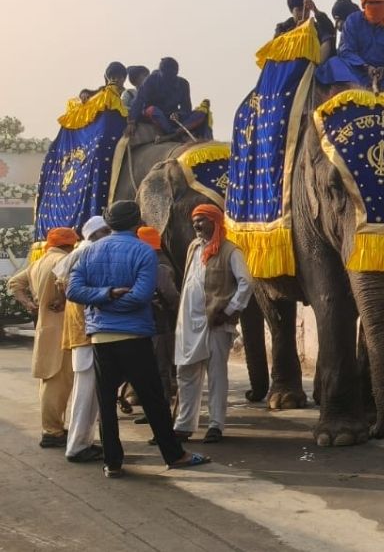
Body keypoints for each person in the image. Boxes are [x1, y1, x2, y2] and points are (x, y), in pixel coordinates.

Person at [66, 201, 210, 477]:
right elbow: (141, 296)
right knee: (153, 398)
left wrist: (103, 298)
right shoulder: (143, 251)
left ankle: (113, 462)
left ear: (109, 223)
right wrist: (113, 295)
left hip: (101, 337)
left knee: (106, 402)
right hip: (134, 335)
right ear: (137, 222)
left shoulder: (89, 251)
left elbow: (74, 291)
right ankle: (174, 455)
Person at [173, 204, 252, 444]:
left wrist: (228, 311)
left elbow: (246, 283)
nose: (196, 225)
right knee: (185, 372)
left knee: (216, 374)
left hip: (215, 323)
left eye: (201, 220)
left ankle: (216, 425)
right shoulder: (194, 247)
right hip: (189, 323)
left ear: (214, 222)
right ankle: (183, 425)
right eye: (194, 220)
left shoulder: (230, 251)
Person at [7, 227, 78, 449]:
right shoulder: (64, 261)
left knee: (49, 381)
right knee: (58, 383)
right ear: (70, 244)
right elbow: (66, 284)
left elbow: (14, 284)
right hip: (62, 330)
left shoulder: (38, 263)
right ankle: (52, 432)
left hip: (45, 328)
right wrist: (63, 299)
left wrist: (29, 304)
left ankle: (54, 428)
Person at [55, 215, 109, 462]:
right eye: (106, 231)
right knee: (85, 395)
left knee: (89, 395)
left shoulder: (82, 252)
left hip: (84, 333)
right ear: (96, 234)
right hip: (86, 334)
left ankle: (83, 443)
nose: (110, 235)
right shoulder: (88, 253)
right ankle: (77, 446)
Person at [139, 226, 180, 404]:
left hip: (159, 322)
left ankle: (162, 404)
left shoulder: (159, 265)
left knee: (160, 367)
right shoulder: (155, 260)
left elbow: (170, 295)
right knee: (151, 366)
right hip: (152, 321)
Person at [131, 57, 210, 142]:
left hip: (172, 116)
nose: (168, 79)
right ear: (160, 71)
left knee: (202, 113)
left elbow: (186, 108)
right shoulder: (151, 80)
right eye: (165, 76)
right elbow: (138, 101)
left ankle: (182, 134)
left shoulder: (183, 84)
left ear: (176, 72)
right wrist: (132, 122)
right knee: (153, 110)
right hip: (154, 114)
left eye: (171, 76)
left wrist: (179, 114)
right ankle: (172, 133)